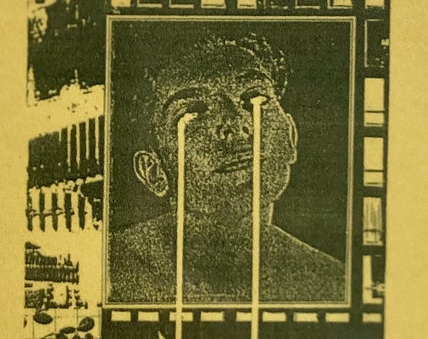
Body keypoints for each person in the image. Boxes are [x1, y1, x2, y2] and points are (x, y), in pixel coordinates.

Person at [108, 31, 345, 303]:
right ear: (154, 171)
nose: (236, 123)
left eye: (256, 98)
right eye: (193, 113)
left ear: (291, 136)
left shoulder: (330, 282)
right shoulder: (112, 268)